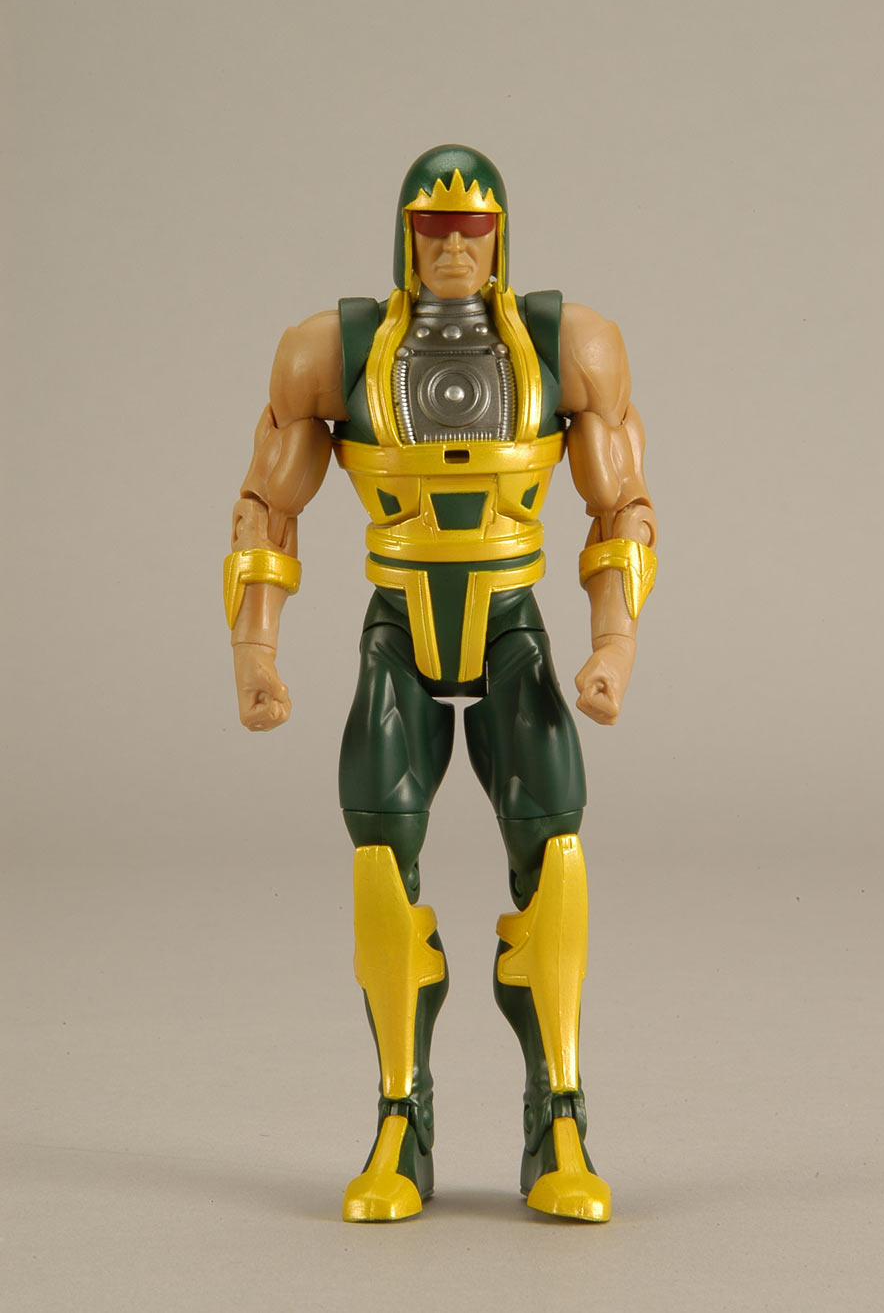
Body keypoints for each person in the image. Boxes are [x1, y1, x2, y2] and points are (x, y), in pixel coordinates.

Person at [224, 144, 657, 1223]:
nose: (454, 247)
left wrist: (613, 642)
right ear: (405, 233)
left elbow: (621, 506)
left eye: (473, 229)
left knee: (555, 856)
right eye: (434, 227)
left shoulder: (566, 346)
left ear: (502, 234)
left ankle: (559, 1114)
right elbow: (268, 505)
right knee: (380, 858)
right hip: (399, 627)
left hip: (511, 624)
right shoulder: (334, 352)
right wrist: (254, 650)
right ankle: (398, 1117)